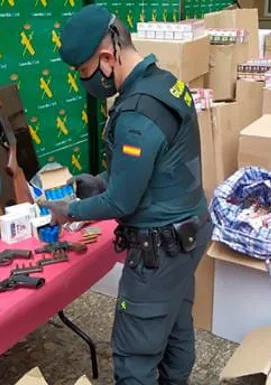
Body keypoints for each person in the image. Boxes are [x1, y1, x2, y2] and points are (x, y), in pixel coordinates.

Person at [39, 5, 213, 385]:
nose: (87, 82)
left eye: (85, 73)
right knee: (175, 322)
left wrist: (71, 210)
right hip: (190, 230)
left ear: (107, 57)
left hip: (161, 248)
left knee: (135, 353)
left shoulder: (136, 111)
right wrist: (100, 182)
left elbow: (122, 203)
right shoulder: (166, 83)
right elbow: (159, 166)